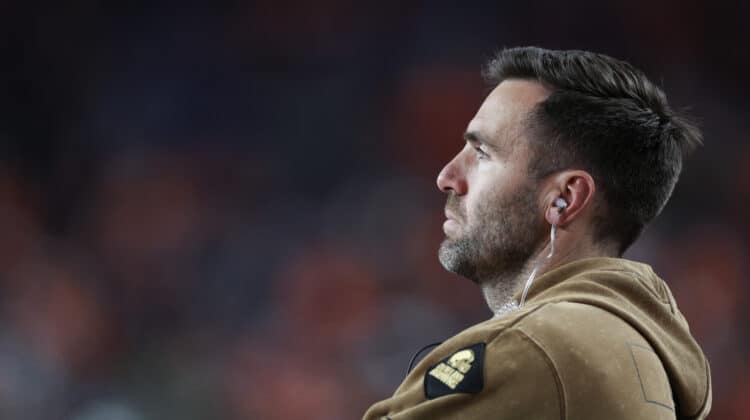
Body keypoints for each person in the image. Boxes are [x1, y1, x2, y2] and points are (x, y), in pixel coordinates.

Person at [362, 47, 712, 419]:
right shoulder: (638, 349)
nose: (446, 176)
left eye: (482, 153)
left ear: (564, 199)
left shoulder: (533, 351)